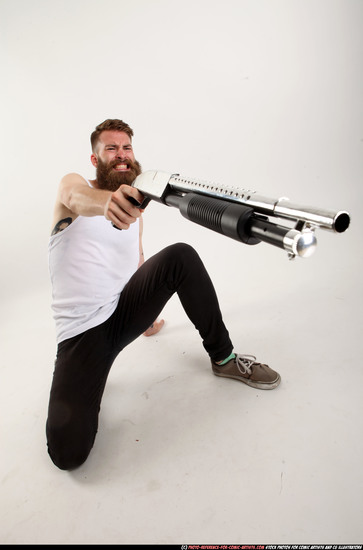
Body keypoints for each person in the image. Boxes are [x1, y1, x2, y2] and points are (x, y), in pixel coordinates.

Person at [46, 119, 281, 470]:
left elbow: (135, 264)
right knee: (68, 456)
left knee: (180, 256)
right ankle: (85, 382)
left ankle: (225, 359)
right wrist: (109, 200)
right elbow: (74, 197)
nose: (121, 155)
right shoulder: (76, 189)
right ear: (95, 160)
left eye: (127, 148)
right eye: (111, 148)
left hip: (120, 315)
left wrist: (145, 316)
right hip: (81, 338)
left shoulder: (135, 214)